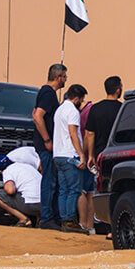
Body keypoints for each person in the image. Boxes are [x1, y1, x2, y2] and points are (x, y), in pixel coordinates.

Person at [83, 76, 123, 235]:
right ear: (118, 90)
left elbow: (90, 134)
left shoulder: (95, 109)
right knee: (117, 190)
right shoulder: (122, 108)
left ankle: (92, 225)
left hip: (100, 155)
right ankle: (114, 227)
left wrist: (91, 155)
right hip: (119, 154)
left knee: (97, 189)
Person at [33, 64, 67, 230]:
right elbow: (37, 116)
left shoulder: (46, 93)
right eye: (65, 77)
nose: (66, 80)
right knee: (49, 181)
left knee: (52, 180)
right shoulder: (48, 93)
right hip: (47, 146)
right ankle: (47, 218)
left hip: (47, 146)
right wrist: (47, 140)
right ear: (58, 77)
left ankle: (51, 216)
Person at [52, 83, 89, 233]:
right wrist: (81, 154)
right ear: (77, 98)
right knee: (74, 189)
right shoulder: (72, 111)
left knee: (63, 190)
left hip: (58, 154)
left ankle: (64, 220)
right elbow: (73, 133)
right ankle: (69, 220)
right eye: (82, 99)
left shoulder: (59, 110)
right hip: (69, 154)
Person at [0, 145, 41, 227]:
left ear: (0, 171)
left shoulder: (7, 171)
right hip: (46, 205)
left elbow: (10, 190)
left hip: (33, 205)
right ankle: (40, 220)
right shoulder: (25, 165)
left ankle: (24, 220)